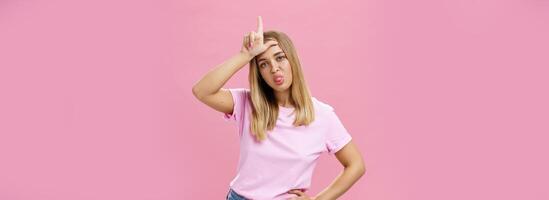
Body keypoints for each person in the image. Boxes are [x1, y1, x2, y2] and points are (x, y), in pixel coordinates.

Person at [192, 16, 365, 200]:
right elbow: (202, 91)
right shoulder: (247, 103)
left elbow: (356, 165)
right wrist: (245, 55)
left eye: (280, 58)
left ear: (292, 60)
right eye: (264, 64)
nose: (274, 69)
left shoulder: (322, 115)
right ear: (259, 73)